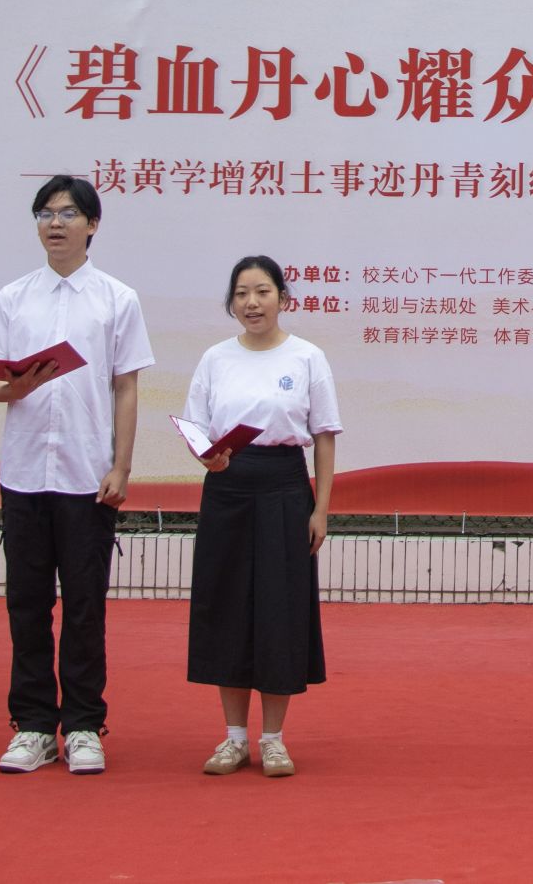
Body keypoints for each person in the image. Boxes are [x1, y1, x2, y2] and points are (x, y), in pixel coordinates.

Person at [0, 176, 151, 775]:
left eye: (68, 213)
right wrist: (14, 386)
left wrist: (121, 465)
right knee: (26, 605)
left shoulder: (117, 298)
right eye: (45, 213)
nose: (55, 223)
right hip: (24, 473)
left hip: (86, 474)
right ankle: (31, 726)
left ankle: (83, 725)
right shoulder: (13, 297)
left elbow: (126, 387)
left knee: (84, 607)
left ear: (92, 225)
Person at [187, 256, 339, 778]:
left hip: (284, 488)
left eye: (262, 291)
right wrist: (207, 457)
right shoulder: (215, 358)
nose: (251, 303)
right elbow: (197, 429)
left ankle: (273, 739)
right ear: (231, 302)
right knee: (227, 606)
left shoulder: (307, 357)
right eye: (241, 293)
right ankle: (233, 738)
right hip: (227, 487)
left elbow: (324, 435)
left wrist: (321, 507)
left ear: (283, 298)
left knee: (280, 609)